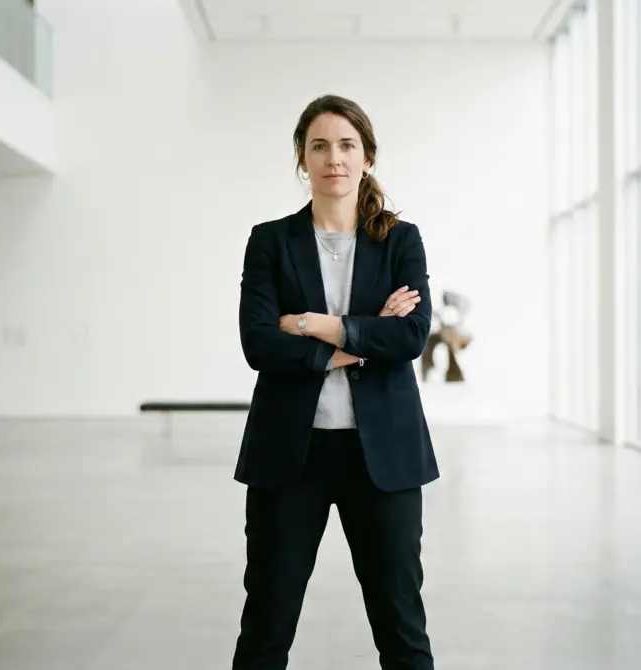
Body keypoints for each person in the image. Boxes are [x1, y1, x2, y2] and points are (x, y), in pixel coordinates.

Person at [231, 94, 440, 670]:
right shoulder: (270, 241)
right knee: (267, 623)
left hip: (385, 457)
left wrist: (310, 325)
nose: (334, 158)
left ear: (367, 157)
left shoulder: (401, 240)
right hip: (289, 455)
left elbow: (411, 338)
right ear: (303, 157)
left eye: (347, 145)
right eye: (319, 145)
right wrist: (365, 338)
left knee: (401, 623)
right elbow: (259, 346)